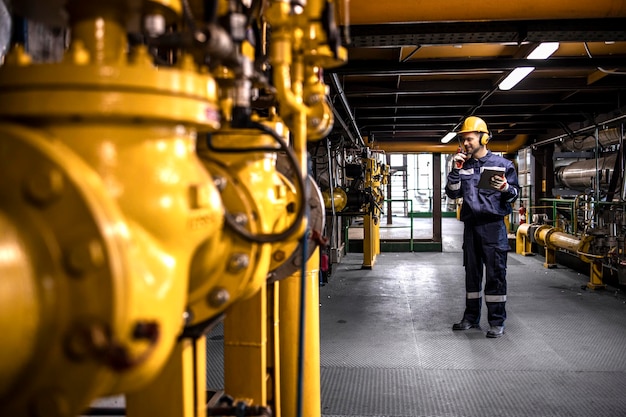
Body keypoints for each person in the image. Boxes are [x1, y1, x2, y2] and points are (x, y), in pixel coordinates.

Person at [445, 116, 519, 338]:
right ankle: (470, 318)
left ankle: (497, 322)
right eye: (463, 140)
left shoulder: (503, 165)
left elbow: (515, 195)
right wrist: (455, 169)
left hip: (494, 227)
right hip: (471, 227)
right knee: (472, 274)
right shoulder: (463, 165)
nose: (465, 143)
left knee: (496, 274)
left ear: (483, 138)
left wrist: (506, 188)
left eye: (469, 139)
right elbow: (452, 192)